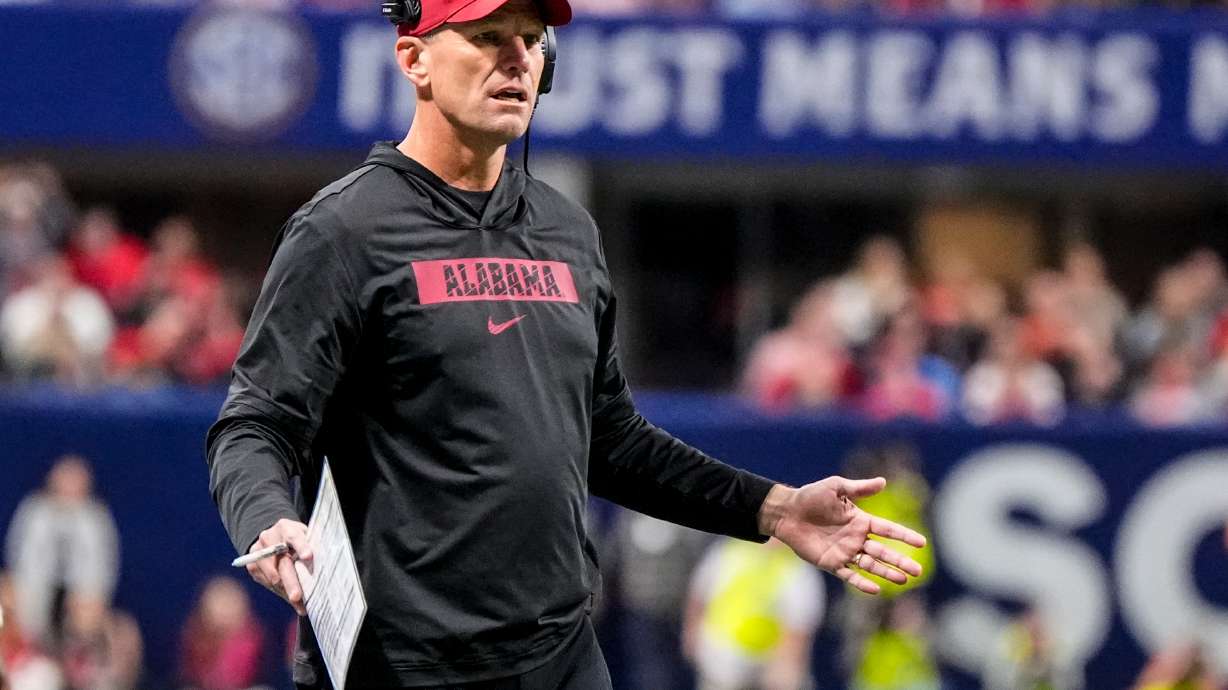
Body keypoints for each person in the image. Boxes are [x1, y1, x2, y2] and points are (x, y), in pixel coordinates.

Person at [205, 1, 927, 688]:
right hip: (403, 665)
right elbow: (256, 422)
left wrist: (770, 508)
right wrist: (268, 514)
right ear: (414, 60)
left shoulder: (566, 231)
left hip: (560, 654)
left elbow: (608, 439)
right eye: (487, 36)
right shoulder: (342, 230)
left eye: (530, 39)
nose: (516, 58)